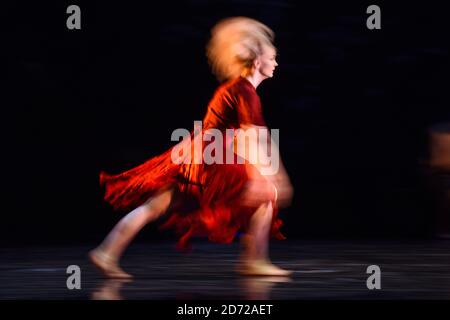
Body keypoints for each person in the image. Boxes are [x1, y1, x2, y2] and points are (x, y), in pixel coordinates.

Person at [89, 17, 294, 279]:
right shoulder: (245, 91)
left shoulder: (235, 88)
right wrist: (268, 177)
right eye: (272, 57)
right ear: (257, 61)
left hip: (195, 154)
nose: (276, 63)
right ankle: (254, 261)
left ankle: (106, 251)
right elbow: (253, 136)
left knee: (158, 204)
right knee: (266, 196)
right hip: (210, 157)